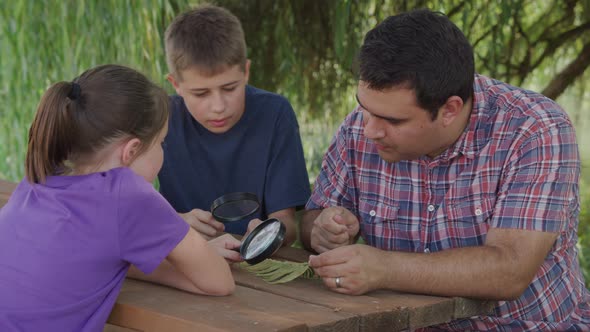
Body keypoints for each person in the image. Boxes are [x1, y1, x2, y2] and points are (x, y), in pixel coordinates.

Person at [301, 9, 590, 331]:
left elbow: (511, 270)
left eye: (394, 120)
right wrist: (324, 228)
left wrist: (386, 268)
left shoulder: (534, 129)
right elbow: (312, 221)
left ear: (450, 109)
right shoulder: (361, 126)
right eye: (365, 107)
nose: (369, 130)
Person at [0, 64, 241, 331]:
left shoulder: (42, 174)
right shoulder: (126, 194)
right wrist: (199, 260)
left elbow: (107, 256)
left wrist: (187, 258)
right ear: (132, 150)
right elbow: (220, 282)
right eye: (161, 142)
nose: (163, 152)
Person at [158, 4, 311, 244]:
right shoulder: (159, 120)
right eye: (200, 93)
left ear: (246, 71)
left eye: (229, 88)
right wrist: (176, 222)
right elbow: (128, 214)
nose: (218, 106)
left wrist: (267, 234)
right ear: (175, 84)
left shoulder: (275, 114)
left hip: (254, 264)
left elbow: (287, 223)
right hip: (182, 260)